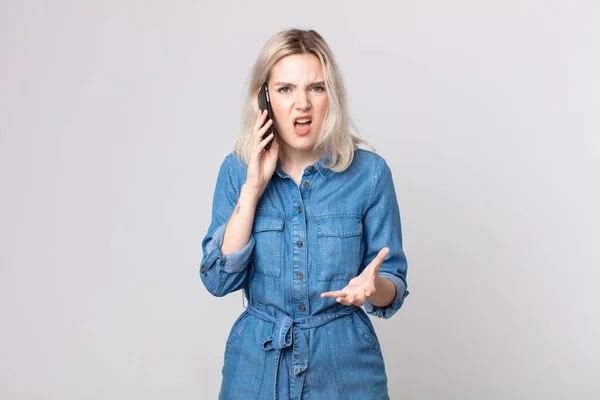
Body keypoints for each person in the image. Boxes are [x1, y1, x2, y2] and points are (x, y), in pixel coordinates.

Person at [199, 28, 409, 400]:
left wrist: (372, 287)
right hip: (257, 367)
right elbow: (218, 280)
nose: (302, 104)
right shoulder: (236, 171)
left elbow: (393, 287)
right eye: (285, 89)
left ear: (332, 96)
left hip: (346, 367)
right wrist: (253, 188)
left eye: (316, 88)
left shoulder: (370, 174)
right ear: (263, 98)